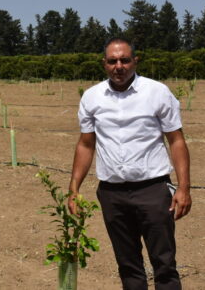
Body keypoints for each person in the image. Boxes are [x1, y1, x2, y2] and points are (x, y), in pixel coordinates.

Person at [68, 38, 192, 290]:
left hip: (154, 191)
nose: (119, 66)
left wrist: (184, 188)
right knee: (128, 265)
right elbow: (85, 144)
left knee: (164, 264)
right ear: (104, 64)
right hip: (112, 193)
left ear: (135, 61)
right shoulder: (92, 97)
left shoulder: (157, 92)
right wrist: (74, 188)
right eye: (112, 61)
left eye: (125, 60)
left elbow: (176, 141)